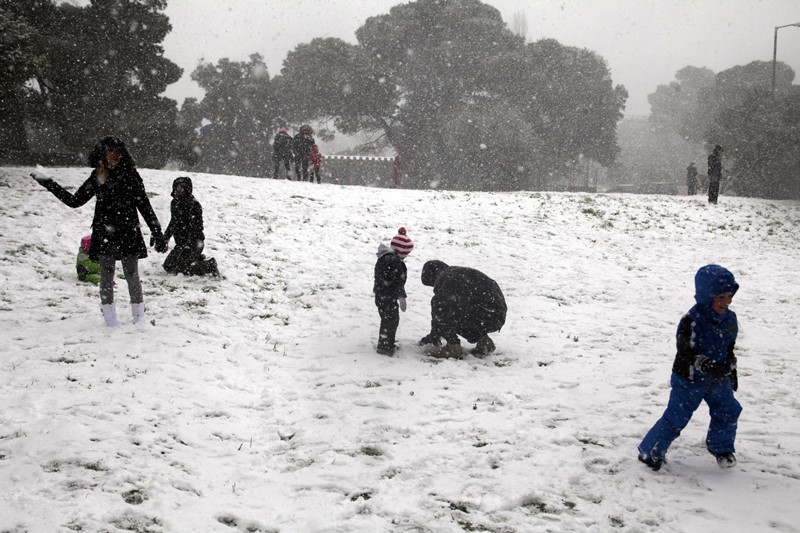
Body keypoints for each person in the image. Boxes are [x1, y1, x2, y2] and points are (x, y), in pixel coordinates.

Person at [30, 136, 167, 327]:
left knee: (132, 275)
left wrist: (157, 231)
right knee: (106, 275)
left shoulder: (131, 175)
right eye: (110, 151)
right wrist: (49, 183)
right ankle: (110, 321)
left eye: (118, 151)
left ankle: (139, 320)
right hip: (105, 233)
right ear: (102, 154)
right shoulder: (98, 176)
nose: (115, 155)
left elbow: (144, 205)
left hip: (128, 231)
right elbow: (74, 201)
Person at [638, 264, 741, 471]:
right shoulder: (692, 321)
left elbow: (729, 346)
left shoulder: (730, 319)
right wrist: (705, 363)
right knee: (677, 416)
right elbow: (686, 351)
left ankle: (721, 447)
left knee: (729, 409)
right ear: (706, 296)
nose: (726, 302)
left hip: (718, 378)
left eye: (729, 296)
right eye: (720, 297)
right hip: (689, 378)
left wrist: (731, 368)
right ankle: (650, 451)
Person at [418, 260, 507, 358]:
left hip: (484, 313)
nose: (434, 287)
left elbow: (441, 310)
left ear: (433, 277)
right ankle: (484, 341)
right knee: (460, 309)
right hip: (496, 315)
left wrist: (435, 336)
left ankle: (452, 347)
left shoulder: (446, 277)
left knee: (441, 304)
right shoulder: (459, 272)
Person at [162, 177, 219, 277]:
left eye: (179, 189)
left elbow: (197, 228)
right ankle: (196, 259)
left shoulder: (194, 205)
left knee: (185, 269)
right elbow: (173, 223)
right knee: (168, 266)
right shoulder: (175, 203)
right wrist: (165, 239)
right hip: (181, 243)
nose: (176, 192)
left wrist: (188, 244)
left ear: (186, 190)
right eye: (175, 189)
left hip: (195, 242)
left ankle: (209, 265)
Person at [373, 228, 414, 356]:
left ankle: (386, 342)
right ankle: (385, 346)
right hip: (388, 297)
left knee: (387, 319)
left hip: (381, 295)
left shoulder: (384, 258)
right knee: (391, 320)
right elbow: (398, 282)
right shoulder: (395, 263)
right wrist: (401, 296)